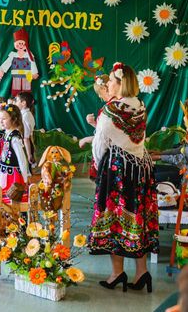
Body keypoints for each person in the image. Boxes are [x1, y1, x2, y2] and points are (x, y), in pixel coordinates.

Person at [88, 62, 158, 293]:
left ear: (120, 83)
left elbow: (99, 146)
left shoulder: (110, 111)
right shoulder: (140, 106)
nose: (107, 83)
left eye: (111, 80)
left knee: (115, 218)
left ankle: (117, 273)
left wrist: (98, 168)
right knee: (138, 216)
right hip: (141, 168)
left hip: (118, 169)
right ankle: (142, 272)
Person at [0, 105, 31, 204]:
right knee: (3, 200)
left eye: (4, 119)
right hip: (4, 172)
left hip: (12, 175)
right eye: (0, 119)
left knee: (12, 201)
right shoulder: (6, 134)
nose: (1, 121)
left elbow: (22, 159)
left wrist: (25, 178)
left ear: (14, 120)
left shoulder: (15, 138)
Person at [79, 74, 111, 180]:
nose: (100, 96)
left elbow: (109, 137)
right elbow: (106, 131)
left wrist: (87, 139)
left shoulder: (111, 109)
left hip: (109, 157)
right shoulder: (108, 107)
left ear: (105, 88)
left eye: (99, 93)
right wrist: (93, 123)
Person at [0, 28, 39, 96]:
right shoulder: (13, 55)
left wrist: (34, 72)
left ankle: (27, 100)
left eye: (22, 44)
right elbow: (7, 62)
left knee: (26, 90)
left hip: (27, 75)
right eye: (19, 44)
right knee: (16, 89)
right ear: (15, 45)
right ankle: (16, 100)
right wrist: (1, 70)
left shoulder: (29, 54)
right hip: (16, 75)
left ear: (25, 44)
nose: (21, 46)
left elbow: (32, 63)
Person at [15, 91, 36, 166]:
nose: (15, 103)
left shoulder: (25, 116)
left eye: (17, 101)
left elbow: (26, 137)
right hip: (24, 144)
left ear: (23, 103)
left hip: (25, 146)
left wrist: (29, 154)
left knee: (24, 167)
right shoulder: (25, 114)